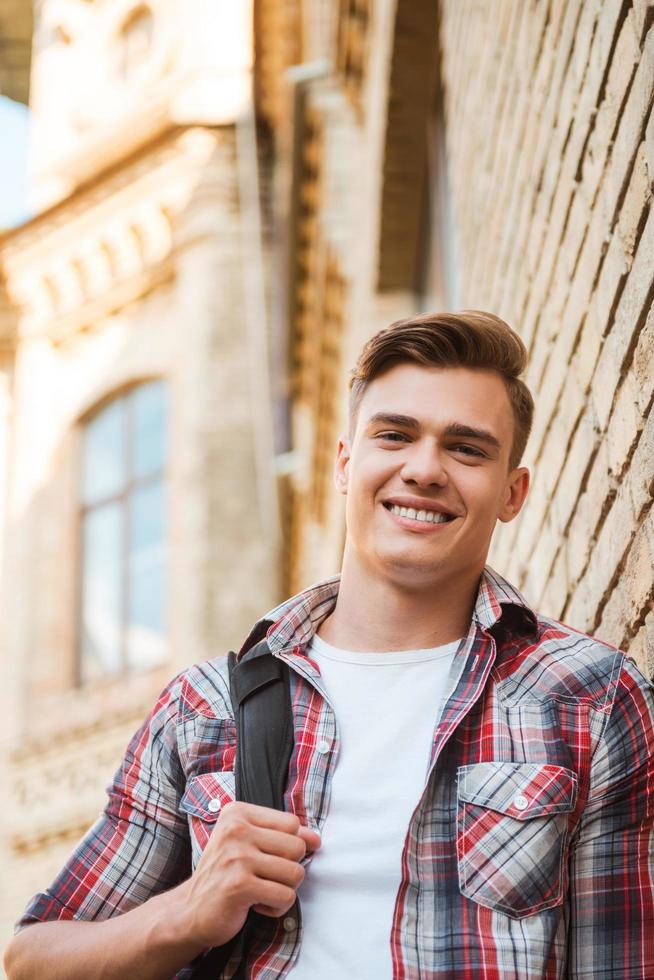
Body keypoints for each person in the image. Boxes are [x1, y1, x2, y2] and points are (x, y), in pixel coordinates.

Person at [5, 311, 654, 980]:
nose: (424, 469)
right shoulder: (203, 708)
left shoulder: (591, 696)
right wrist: (188, 913)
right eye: (395, 435)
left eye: (466, 448)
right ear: (346, 463)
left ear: (512, 493)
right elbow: (32, 962)